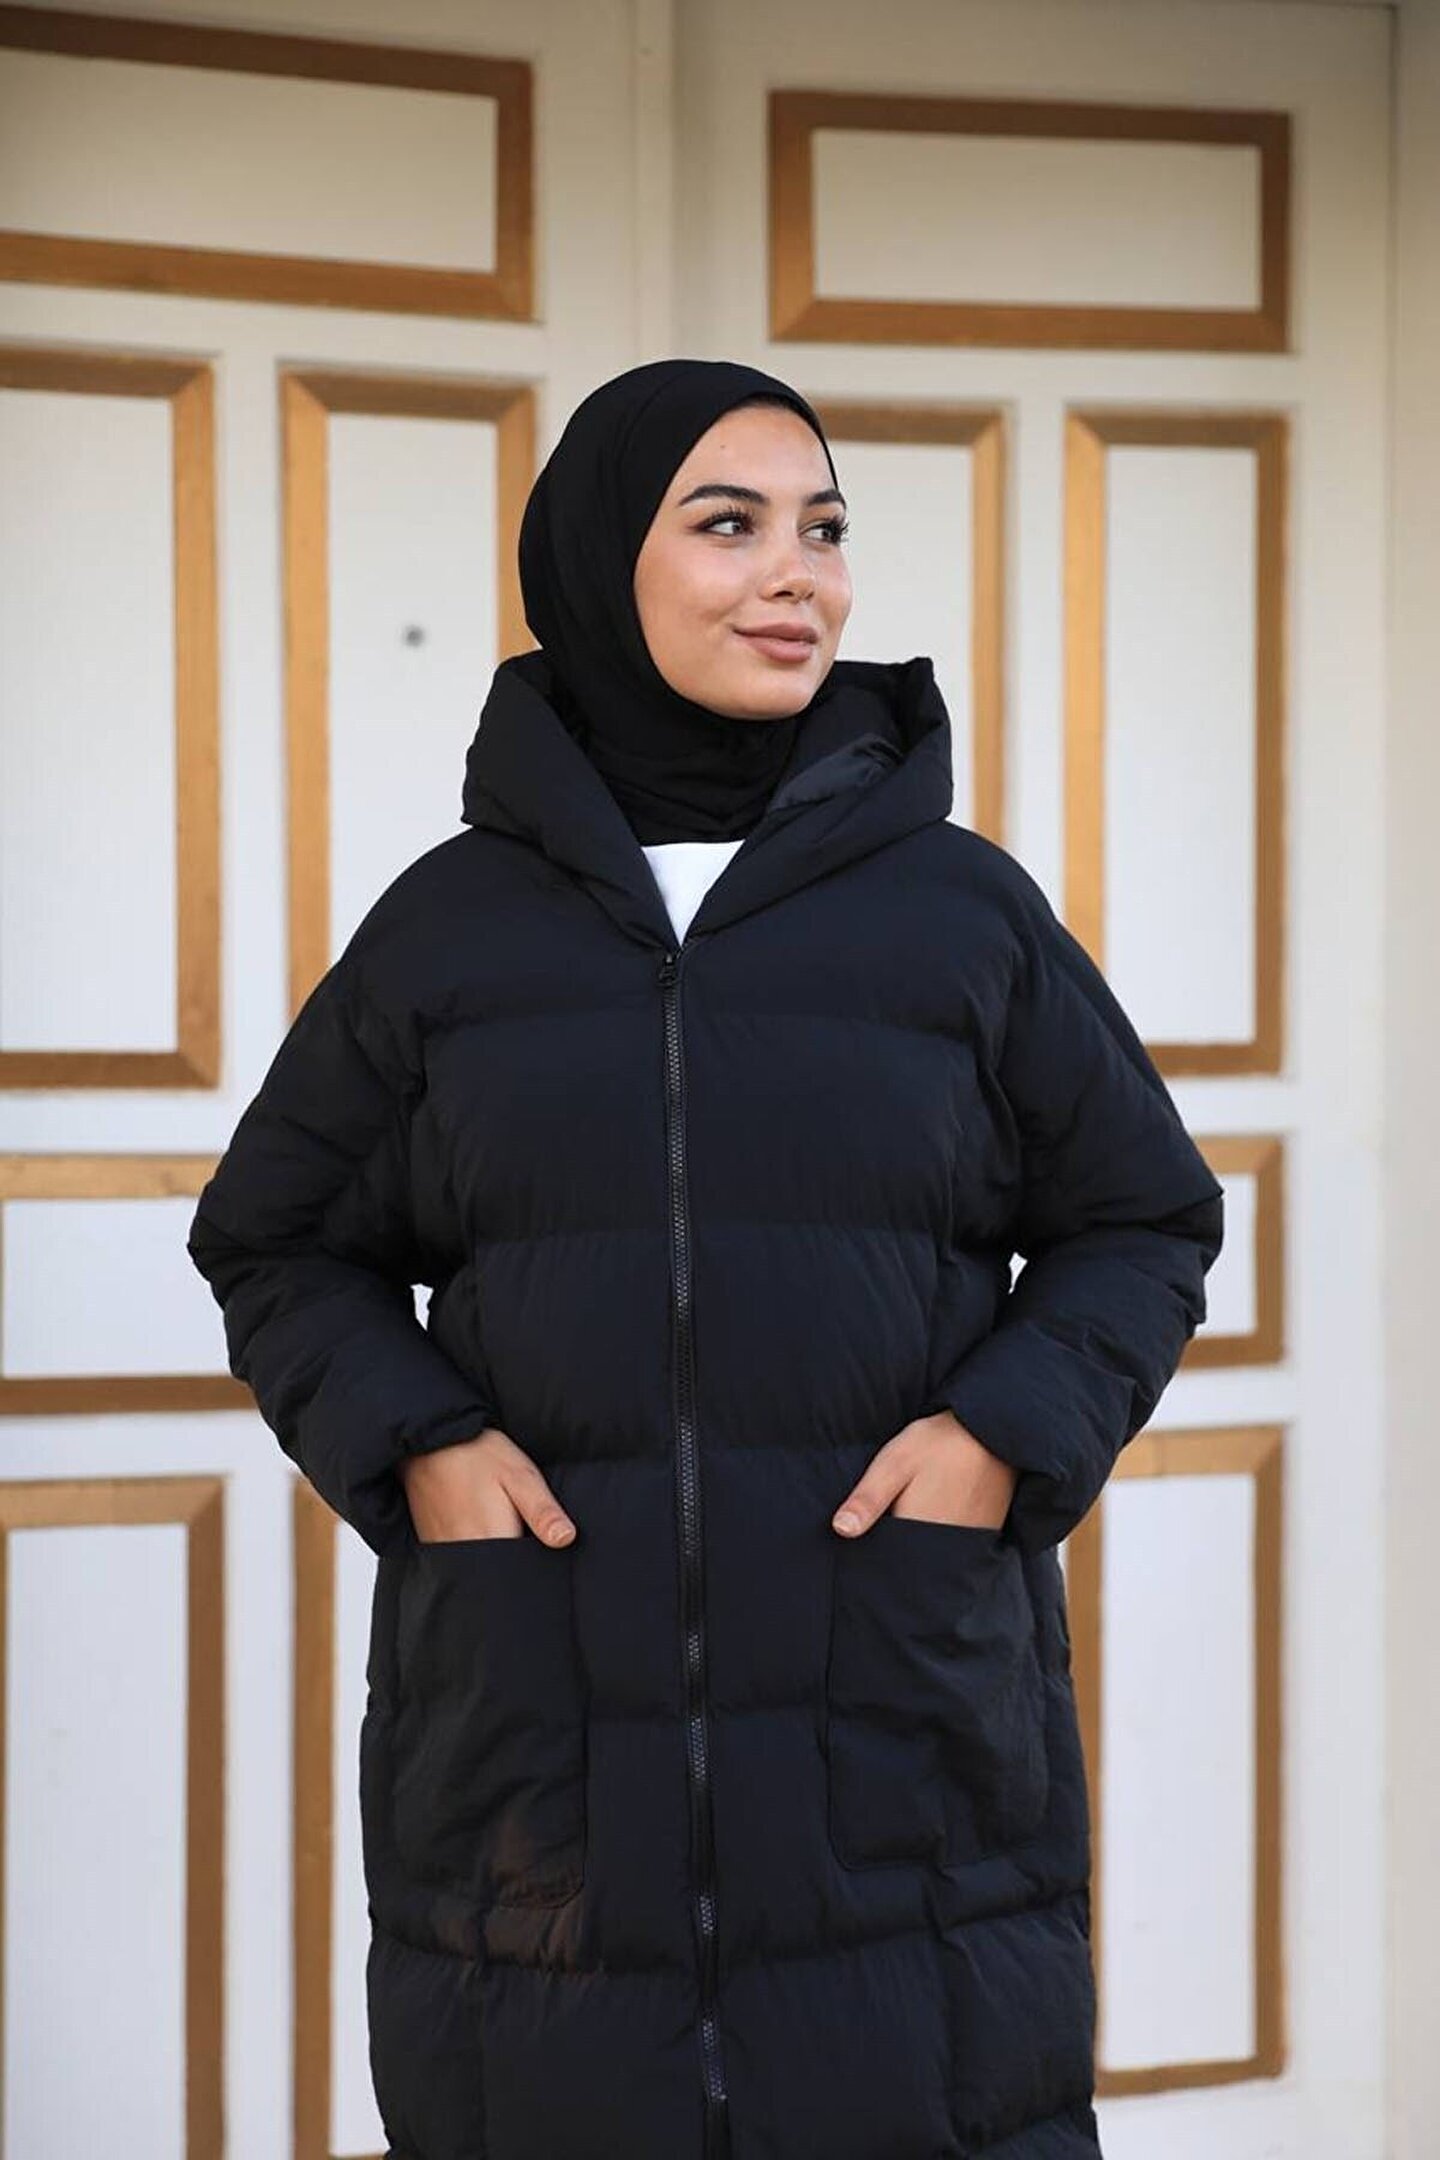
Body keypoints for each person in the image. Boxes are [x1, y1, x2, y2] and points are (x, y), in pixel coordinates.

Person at [188, 356, 1225, 2160]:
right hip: (540, 1755)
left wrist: (1001, 1436)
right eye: (729, 525)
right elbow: (275, 1239)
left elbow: (1144, 1215)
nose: (796, 576)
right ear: (605, 565)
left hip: (892, 1716)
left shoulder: (959, 914)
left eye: (824, 529)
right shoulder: (452, 931)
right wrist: (419, 1444)